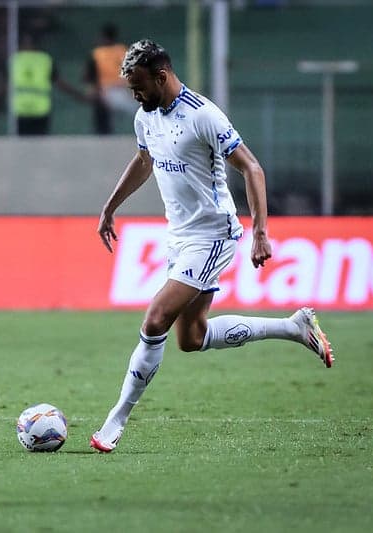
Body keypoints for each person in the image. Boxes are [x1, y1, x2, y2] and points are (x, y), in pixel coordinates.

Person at [89, 40, 334, 453]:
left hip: (213, 235)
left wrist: (259, 231)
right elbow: (144, 161)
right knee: (192, 337)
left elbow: (251, 167)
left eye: (139, 85)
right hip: (179, 237)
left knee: (155, 320)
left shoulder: (203, 115)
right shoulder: (145, 116)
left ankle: (116, 419)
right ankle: (294, 327)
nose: (133, 94)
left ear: (162, 76)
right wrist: (110, 206)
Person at [9, 33, 84, 135]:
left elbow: (5, 84)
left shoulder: (15, 59)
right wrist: (77, 94)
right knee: (40, 146)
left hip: (22, 109)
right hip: (40, 110)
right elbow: (59, 82)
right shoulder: (45, 59)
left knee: (22, 145)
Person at [83, 23, 137, 134]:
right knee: (136, 112)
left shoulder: (97, 53)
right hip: (118, 91)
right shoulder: (123, 50)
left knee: (135, 112)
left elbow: (88, 76)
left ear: (104, 37)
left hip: (110, 91)